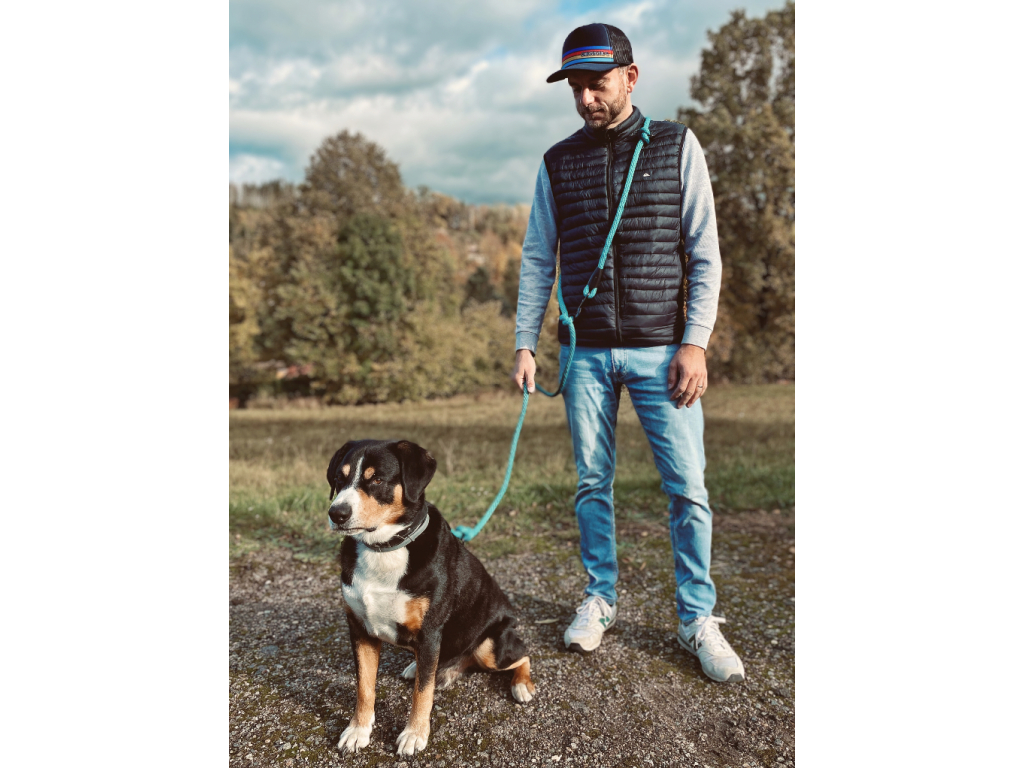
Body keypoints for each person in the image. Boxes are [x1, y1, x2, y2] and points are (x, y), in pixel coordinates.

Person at [511, 23, 744, 683]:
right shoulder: (557, 162)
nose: (586, 98)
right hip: (583, 355)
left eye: (598, 84)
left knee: (688, 488)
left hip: (663, 352)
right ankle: (600, 597)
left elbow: (704, 252)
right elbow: (538, 258)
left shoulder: (677, 145)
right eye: (576, 88)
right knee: (592, 483)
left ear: (631, 77)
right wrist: (525, 341)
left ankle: (697, 618)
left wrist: (695, 342)